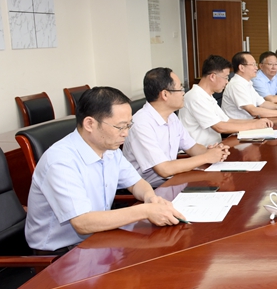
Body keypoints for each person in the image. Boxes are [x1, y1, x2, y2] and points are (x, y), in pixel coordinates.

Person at [25, 87, 187, 253]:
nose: (126, 134)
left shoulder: (109, 149)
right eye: (120, 127)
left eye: (129, 125)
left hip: (99, 237)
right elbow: (82, 222)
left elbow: (136, 183)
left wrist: (150, 198)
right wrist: (145, 211)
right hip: (61, 253)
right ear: (90, 124)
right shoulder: (60, 161)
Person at [123, 68, 231, 188]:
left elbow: (192, 147)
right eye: (180, 88)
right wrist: (206, 157)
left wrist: (213, 151)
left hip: (172, 181)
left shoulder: (171, 117)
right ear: (165, 94)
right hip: (151, 190)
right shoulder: (142, 124)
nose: (183, 93)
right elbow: (164, 169)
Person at [180, 55, 273, 146]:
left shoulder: (207, 96)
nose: (227, 81)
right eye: (225, 77)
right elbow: (219, 127)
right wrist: (254, 126)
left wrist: (256, 122)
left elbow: (227, 121)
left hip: (215, 147)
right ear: (212, 76)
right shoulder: (195, 97)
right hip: (201, 151)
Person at [222, 51, 277, 120]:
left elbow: (262, 103)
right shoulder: (236, 85)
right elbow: (253, 111)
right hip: (239, 128)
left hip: (250, 123)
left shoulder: (247, 83)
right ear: (241, 67)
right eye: (253, 65)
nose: (256, 68)